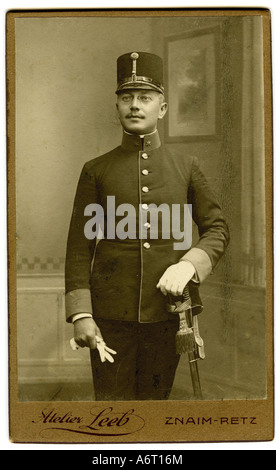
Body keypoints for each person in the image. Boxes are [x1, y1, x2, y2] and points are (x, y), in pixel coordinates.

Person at [65, 51, 229, 401]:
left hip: (167, 315)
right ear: (117, 107)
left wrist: (189, 264)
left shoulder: (186, 166)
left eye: (145, 97)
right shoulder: (96, 169)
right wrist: (81, 313)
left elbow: (217, 229)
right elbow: (80, 248)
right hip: (109, 318)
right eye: (126, 98)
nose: (134, 105)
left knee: (154, 409)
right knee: (112, 413)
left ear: (163, 108)